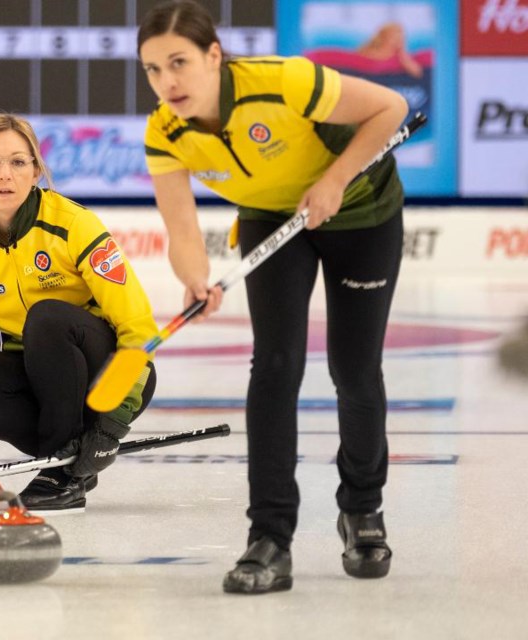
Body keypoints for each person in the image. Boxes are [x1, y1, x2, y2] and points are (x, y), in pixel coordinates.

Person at [137, 1, 409, 594]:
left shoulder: (285, 81)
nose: (168, 83)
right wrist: (195, 280)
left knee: (355, 369)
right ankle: (270, 537)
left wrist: (335, 179)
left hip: (362, 213)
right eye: (153, 70)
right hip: (270, 221)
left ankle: (363, 511)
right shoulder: (165, 132)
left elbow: (392, 108)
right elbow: (182, 231)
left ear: (214, 55)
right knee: (276, 366)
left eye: (179, 63)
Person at [0, 114, 158, 513]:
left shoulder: (75, 225)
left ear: (36, 171)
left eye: (18, 162)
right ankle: (68, 463)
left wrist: (114, 423)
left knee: (47, 317)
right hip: (43, 388)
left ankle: (63, 471)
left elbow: (137, 327)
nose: (4, 174)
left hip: (108, 377)